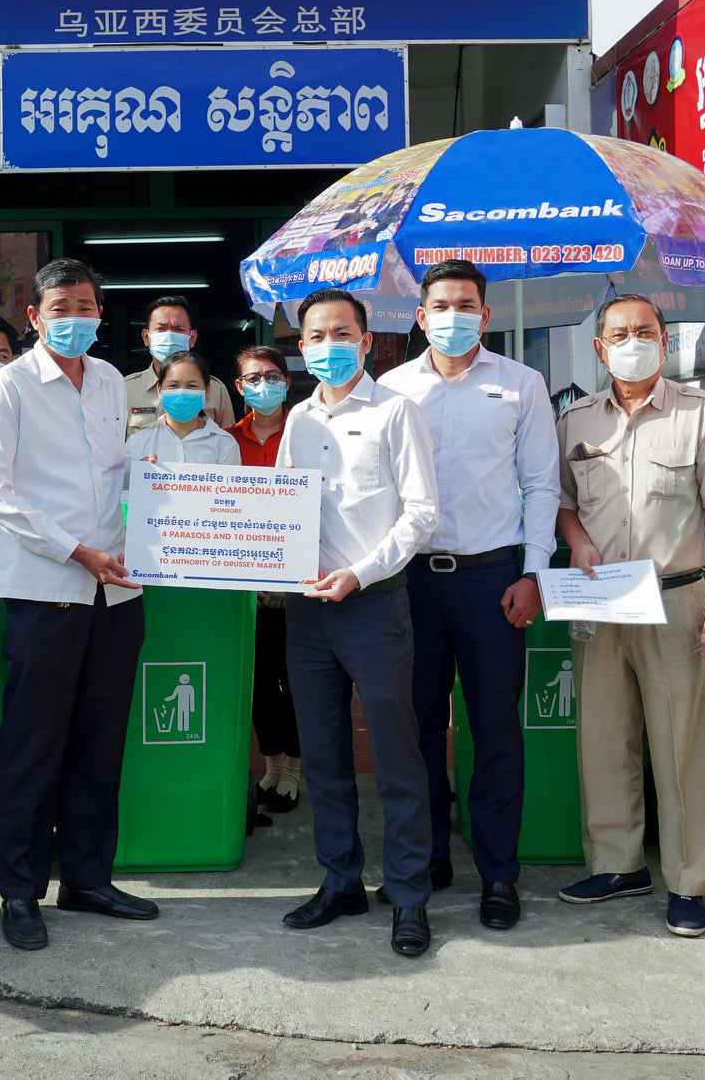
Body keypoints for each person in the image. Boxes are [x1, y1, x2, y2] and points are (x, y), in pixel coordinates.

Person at [0, 258, 156, 952]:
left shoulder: (109, 380)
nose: (74, 318)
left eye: (86, 305)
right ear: (34, 317)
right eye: (61, 307)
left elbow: (118, 475)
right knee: (31, 747)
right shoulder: (11, 386)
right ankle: (20, 891)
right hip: (48, 590)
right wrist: (76, 550)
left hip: (117, 590)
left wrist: (174, 516)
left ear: (100, 314)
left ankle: (87, 878)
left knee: (99, 743)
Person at [553, 293, 705, 940]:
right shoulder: (575, 419)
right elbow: (561, 501)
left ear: (663, 341)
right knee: (603, 739)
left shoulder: (700, 411)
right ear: (598, 349)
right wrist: (574, 538)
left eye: (644, 330)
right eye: (618, 333)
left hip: (675, 596)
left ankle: (688, 883)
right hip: (600, 595)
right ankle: (617, 864)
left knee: (679, 744)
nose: (631, 340)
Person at [376, 260, 560, 932]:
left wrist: (532, 572)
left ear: (484, 315)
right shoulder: (391, 390)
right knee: (414, 726)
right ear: (418, 316)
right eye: (440, 305)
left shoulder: (520, 385)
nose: (452, 316)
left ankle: (498, 874)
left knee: (494, 730)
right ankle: (423, 857)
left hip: (493, 580)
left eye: (465, 305)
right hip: (411, 581)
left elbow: (541, 484)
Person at [277, 288, 440, 959]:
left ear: (367, 340)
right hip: (307, 610)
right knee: (321, 753)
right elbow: (280, 508)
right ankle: (339, 877)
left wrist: (360, 573)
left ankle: (407, 896)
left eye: (339, 333)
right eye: (314, 337)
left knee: (398, 756)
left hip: (372, 603)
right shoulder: (296, 419)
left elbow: (421, 514)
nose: (326, 347)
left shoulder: (397, 413)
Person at [228, 347, 304, 815]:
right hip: (244, 584)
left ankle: (294, 769)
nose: (263, 384)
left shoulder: (308, 430)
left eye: (272, 375)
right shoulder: (226, 441)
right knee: (256, 680)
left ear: (287, 381)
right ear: (238, 387)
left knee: (293, 679)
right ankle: (272, 764)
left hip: (298, 581)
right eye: (253, 377)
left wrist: (287, 577)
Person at [123, 294, 234, 435]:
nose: (169, 336)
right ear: (146, 337)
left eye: (178, 329)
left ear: (192, 338)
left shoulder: (215, 390)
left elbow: (227, 442)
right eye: (161, 329)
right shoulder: (126, 388)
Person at [124, 351, 240, 467]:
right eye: (173, 385)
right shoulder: (138, 442)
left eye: (191, 386)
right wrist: (141, 471)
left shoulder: (225, 444)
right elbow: (125, 482)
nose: (182, 392)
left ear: (207, 390)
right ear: (159, 390)